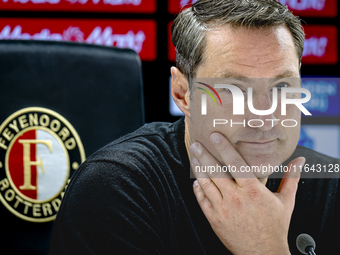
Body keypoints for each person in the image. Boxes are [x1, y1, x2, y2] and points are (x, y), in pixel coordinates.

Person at [49, 0, 340, 254]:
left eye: (281, 86)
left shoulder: (332, 186)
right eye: (233, 89)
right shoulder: (115, 189)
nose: (263, 116)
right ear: (182, 93)